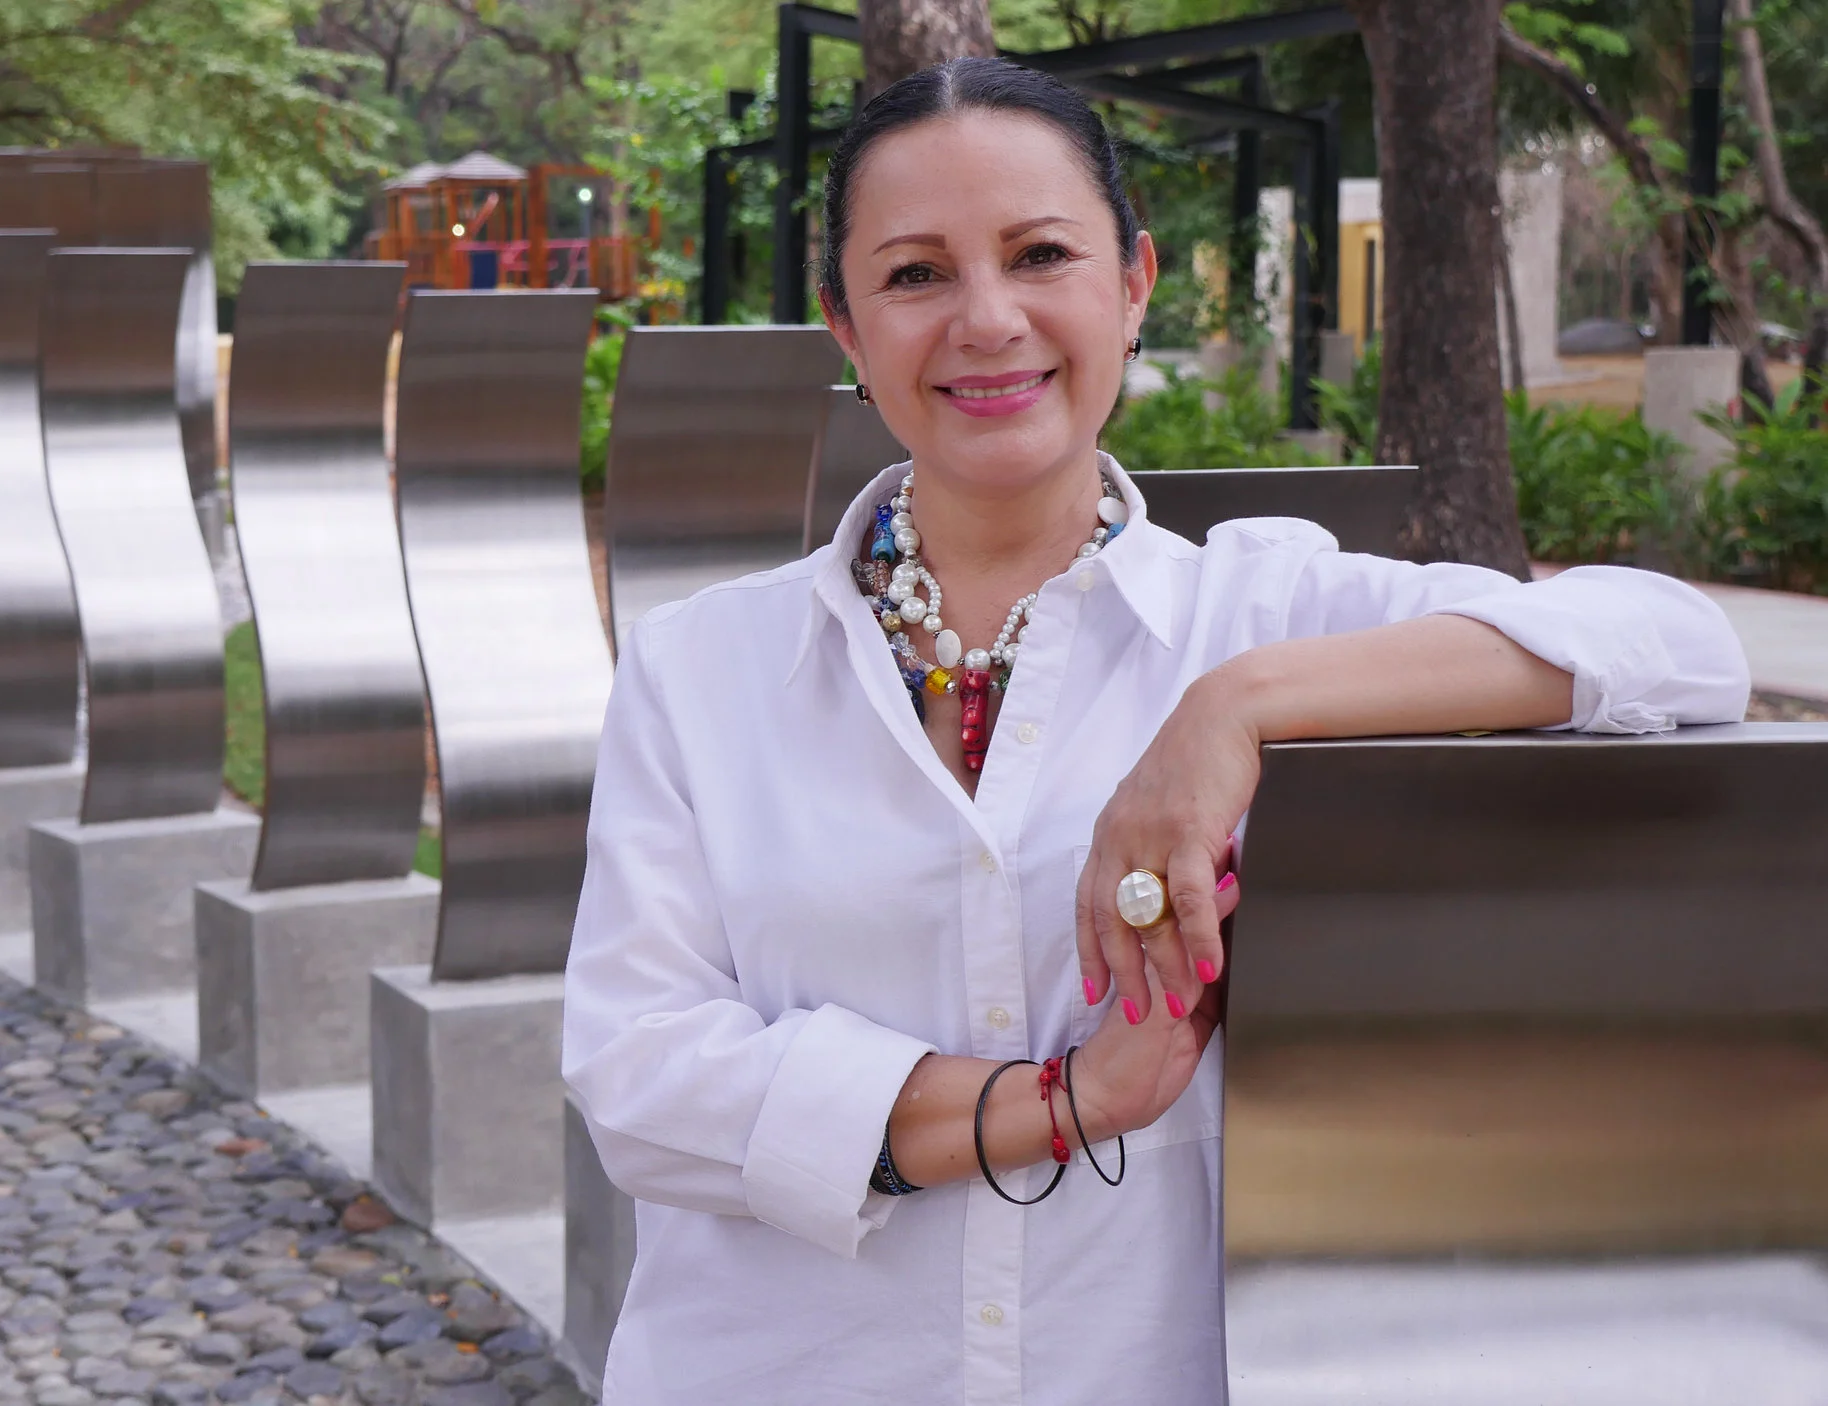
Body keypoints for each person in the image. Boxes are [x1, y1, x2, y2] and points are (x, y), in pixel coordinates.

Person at [560, 56, 1749, 1405]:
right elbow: (643, 1073)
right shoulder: (703, 665)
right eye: (914, 275)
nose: (987, 318)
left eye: (1039, 253)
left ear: (1133, 282)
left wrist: (1232, 709)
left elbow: (1676, 645)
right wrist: (1062, 1105)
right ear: (845, 326)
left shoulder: (1264, 609)